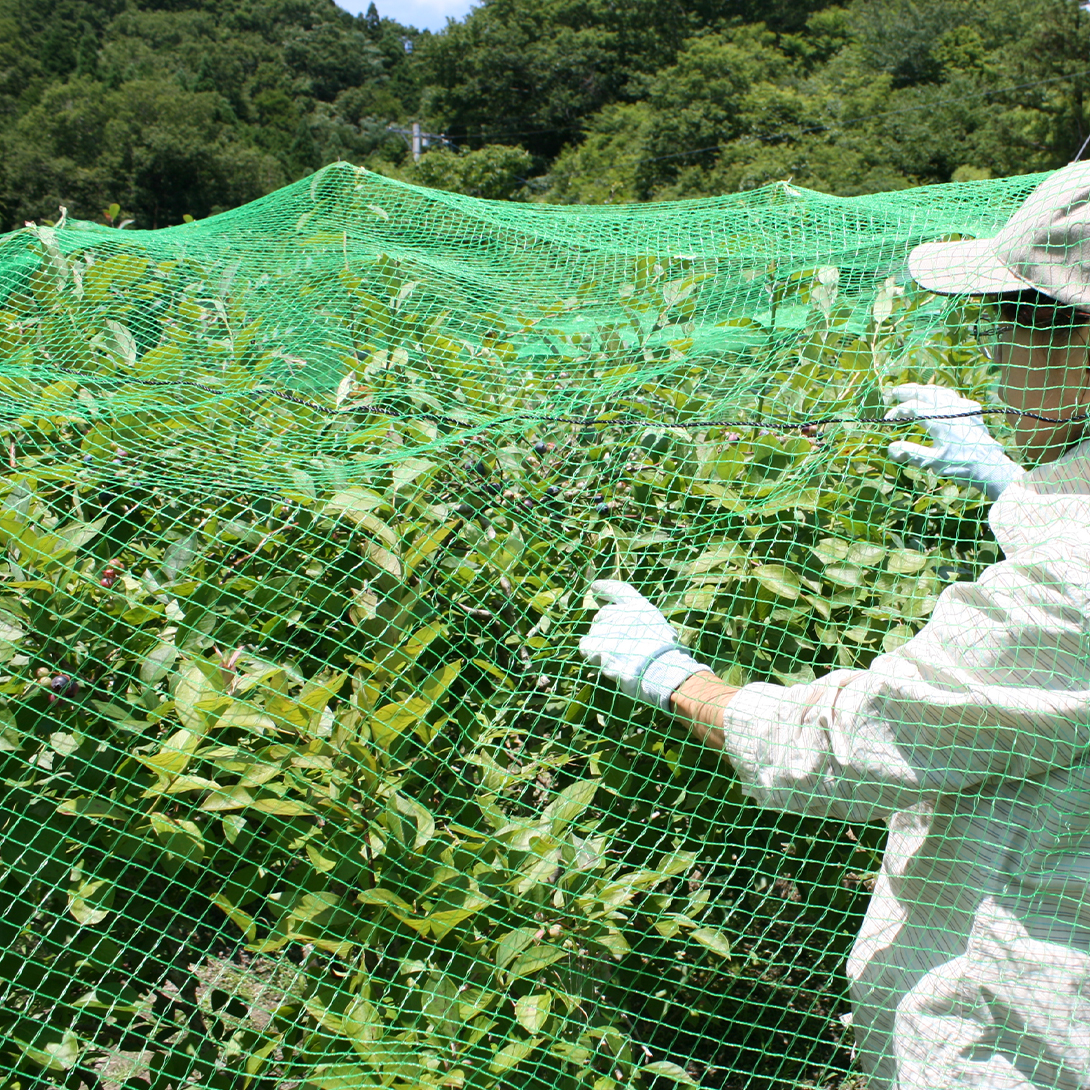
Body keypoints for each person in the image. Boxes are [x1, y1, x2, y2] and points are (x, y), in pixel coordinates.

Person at [579, 161, 1090, 1090]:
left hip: (1021, 1042)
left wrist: (673, 675)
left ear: (1083, 354)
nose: (992, 356)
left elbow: (852, 745)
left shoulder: (1069, 582)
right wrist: (1020, 487)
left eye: (1011, 322)